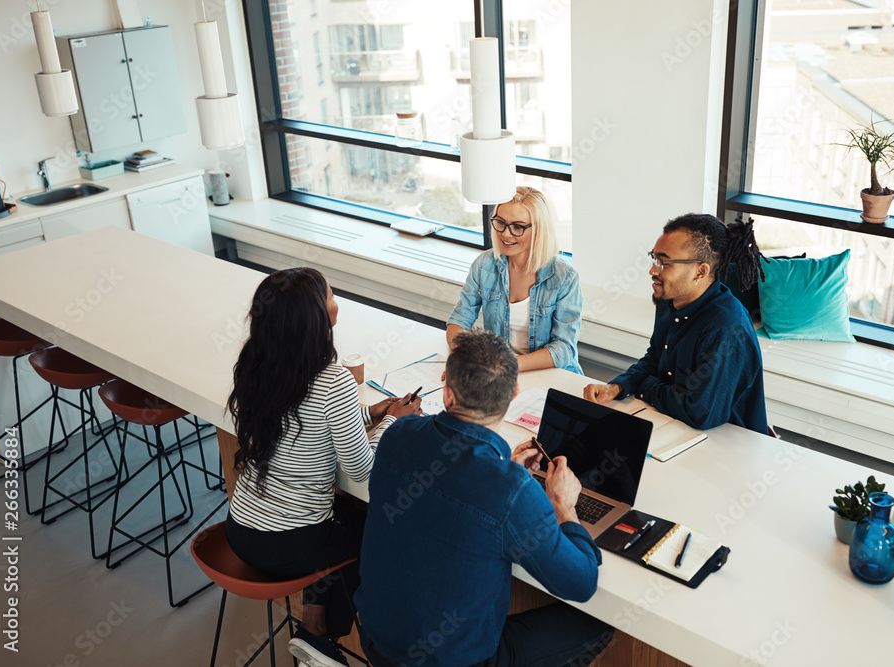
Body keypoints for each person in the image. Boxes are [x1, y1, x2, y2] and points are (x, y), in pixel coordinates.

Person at [355, 330, 612, 667]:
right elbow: (581, 583)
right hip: (456, 662)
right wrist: (564, 507)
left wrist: (504, 471)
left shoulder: (397, 435)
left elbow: (447, 494)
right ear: (514, 394)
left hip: (376, 643)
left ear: (447, 394)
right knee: (599, 623)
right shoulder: (511, 490)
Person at [225, 267, 421, 667]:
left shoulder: (258, 364)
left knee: (345, 518)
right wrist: (393, 421)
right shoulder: (333, 380)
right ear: (314, 317)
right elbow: (363, 469)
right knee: (375, 524)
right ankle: (320, 636)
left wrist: (369, 412)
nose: (337, 303)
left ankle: (313, 625)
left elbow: (302, 420)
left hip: (240, 528)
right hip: (289, 545)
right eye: (331, 296)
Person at [584, 214, 770, 435]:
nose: (653, 270)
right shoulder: (670, 300)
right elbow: (655, 358)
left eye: (665, 263)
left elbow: (700, 412)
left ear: (700, 271)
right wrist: (617, 387)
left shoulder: (726, 326)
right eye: (654, 258)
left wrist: (644, 385)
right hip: (674, 426)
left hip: (728, 442)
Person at [447, 186, 584, 373]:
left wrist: (503, 366)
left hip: (551, 376)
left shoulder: (564, 277)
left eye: (518, 227)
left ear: (539, 230)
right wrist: (462, 359)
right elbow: (459, 321)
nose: (505, 234)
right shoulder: (484, 266)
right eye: (500, 223)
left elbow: (564, 348)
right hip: (499, 374)